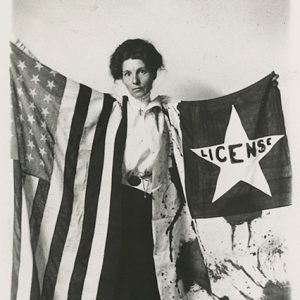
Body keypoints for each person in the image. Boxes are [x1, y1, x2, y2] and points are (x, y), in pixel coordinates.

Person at [109, 39, 212, 299]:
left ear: (153, 72)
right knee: (122, 275)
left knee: (158, 273)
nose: (135, 80)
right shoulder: (112, 111)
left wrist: (260, 94)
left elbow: (213, 117)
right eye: (127, 74)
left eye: (141, 71)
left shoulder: (171, 111)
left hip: (159, 203)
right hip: (122, 202)